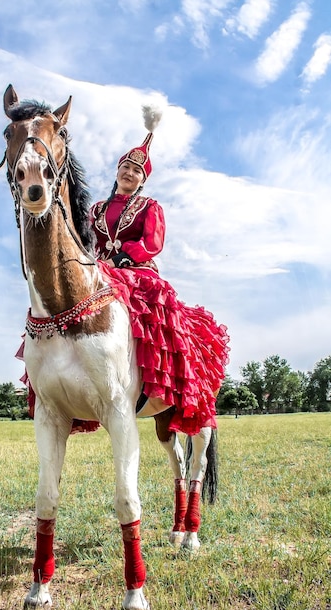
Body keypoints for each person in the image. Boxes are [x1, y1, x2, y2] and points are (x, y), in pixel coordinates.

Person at [91, 107, 230, 436]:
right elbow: (87, 243)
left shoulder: (150, 207)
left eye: (136, 170)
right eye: (125, 166)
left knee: (153, 301)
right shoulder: (95, 209)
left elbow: (152, 243)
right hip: (98, 270)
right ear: (116, 171)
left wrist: (121, 258)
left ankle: (153, 379)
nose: (129, 172)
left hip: (136, 270)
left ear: (143, 179)